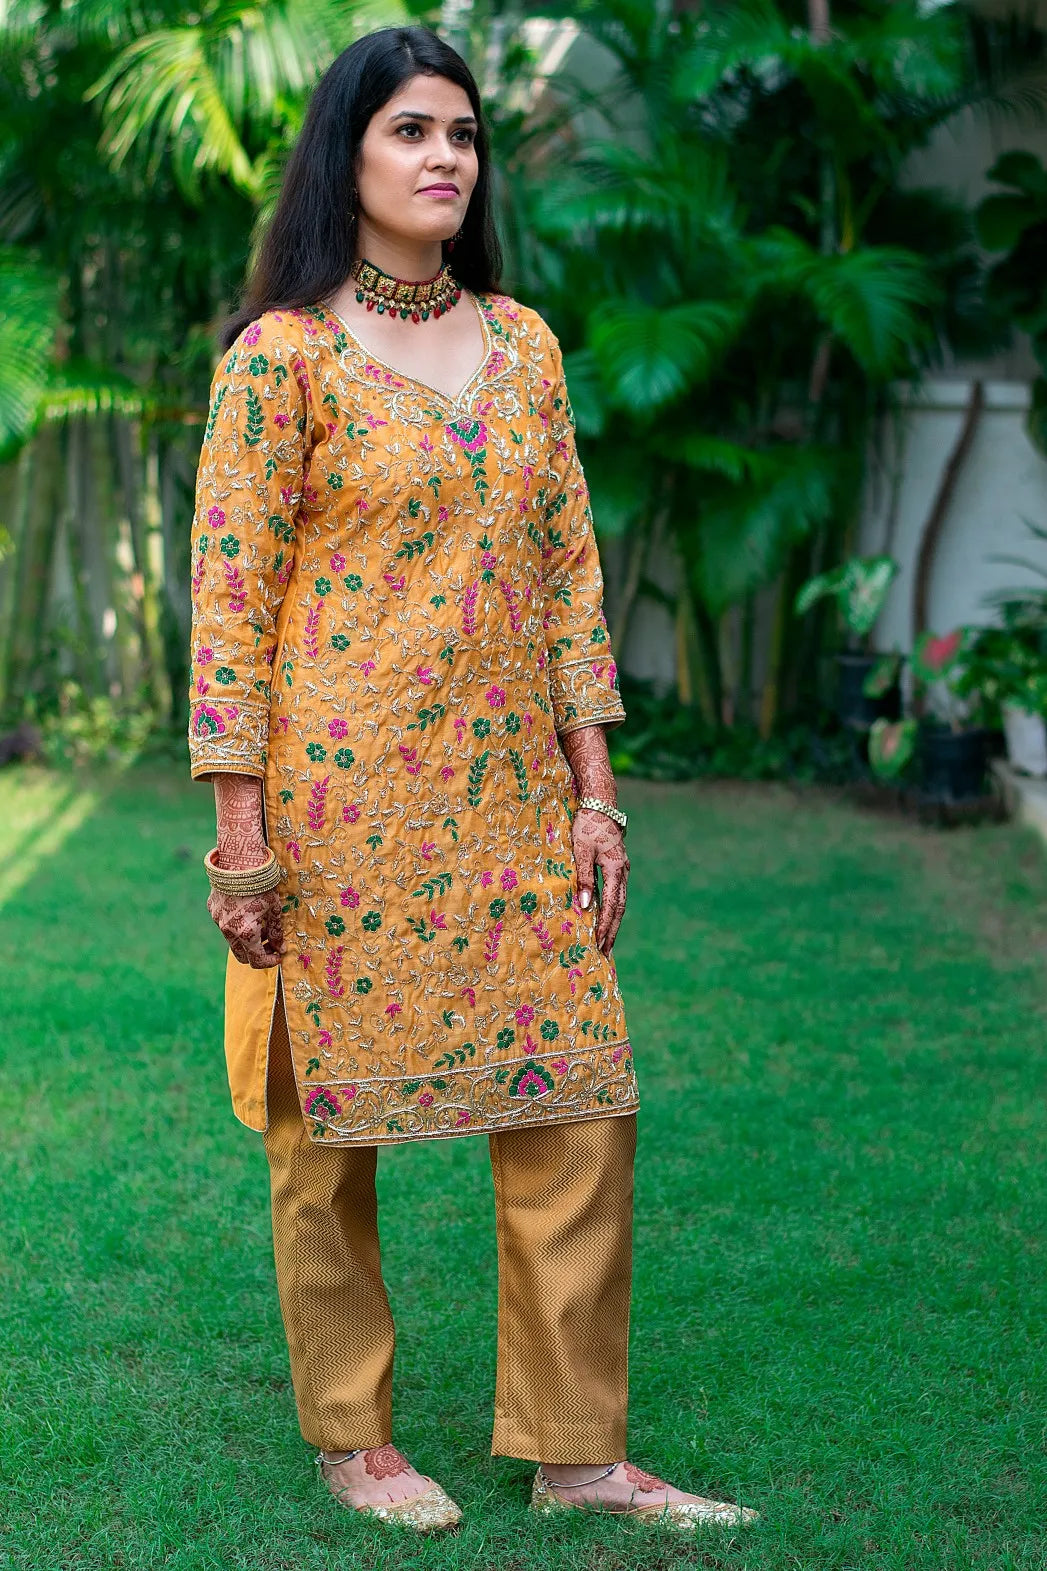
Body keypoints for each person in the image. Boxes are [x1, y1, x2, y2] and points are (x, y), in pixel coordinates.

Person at [188, 23, 757, 1537]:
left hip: (511, 807)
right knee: (325, 1130)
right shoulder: (283, 359)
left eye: (463, 134)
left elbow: (572, 578)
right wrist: (239, 834)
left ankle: (577, 1450)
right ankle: (353, 1437)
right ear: (348, 159)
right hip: (336, 809)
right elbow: (232, 602)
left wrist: (596, 792)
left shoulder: (526, 346)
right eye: (410, 133)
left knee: (581, 1108)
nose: (445, 157)